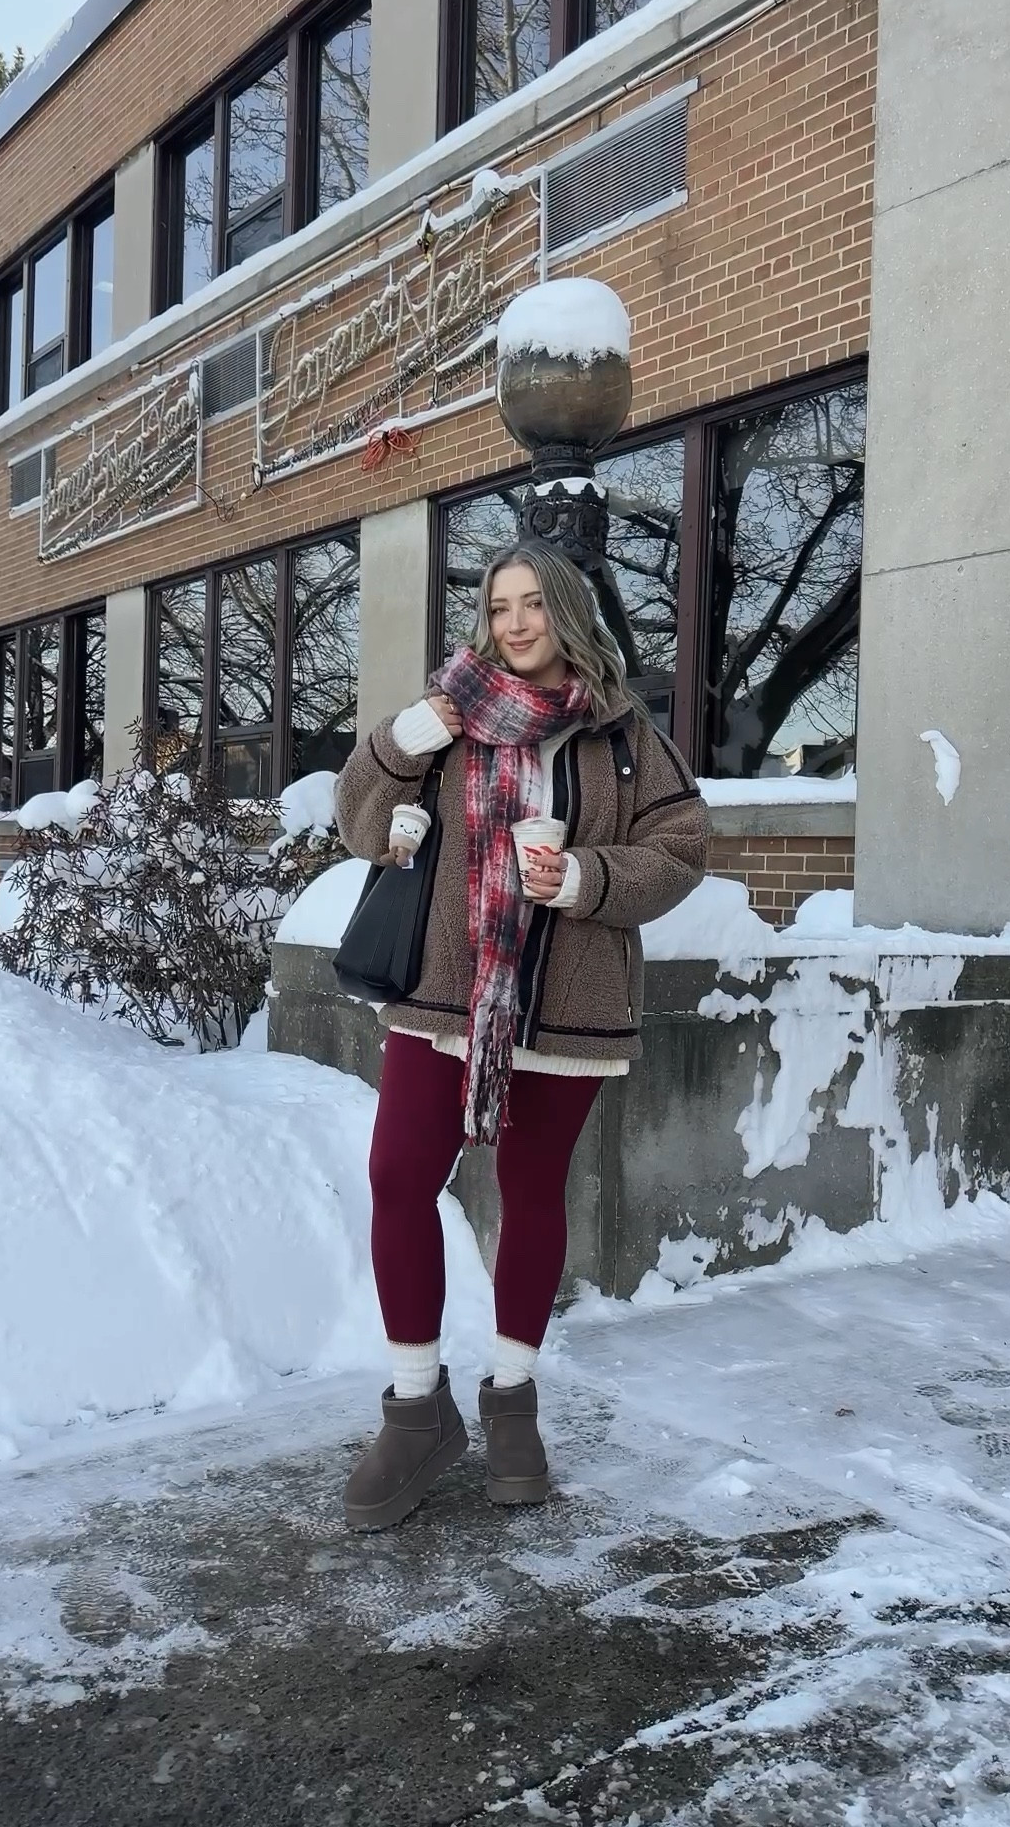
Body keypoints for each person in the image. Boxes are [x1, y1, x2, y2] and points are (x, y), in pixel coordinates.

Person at [334, 543, 709, 1531]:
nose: (515, 622)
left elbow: (680, 849)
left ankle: (513, 1402)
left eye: (534, 602)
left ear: (567, 610)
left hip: (568, 1003)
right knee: (399, 1178)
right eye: (499, 605)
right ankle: (416, 1410)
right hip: (442, 997)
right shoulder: (450, 720)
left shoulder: (624, 735)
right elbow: (357, 817)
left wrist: (587, 880)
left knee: (533, 1193)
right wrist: (408, 735)